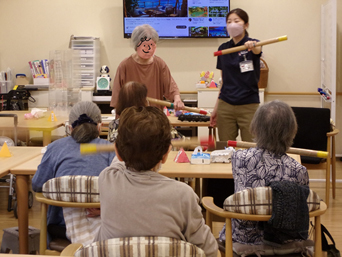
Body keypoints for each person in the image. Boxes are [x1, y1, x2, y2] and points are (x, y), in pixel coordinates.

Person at [95, 106, 218, 257]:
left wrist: (123, 149)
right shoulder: (183, 195)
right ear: (166, 154)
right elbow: (211, 252)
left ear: (118, 152)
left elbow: (118, 162)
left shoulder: (107, 179)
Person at [218, 100, 309, 245]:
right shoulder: (299, 170)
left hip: (242, 240)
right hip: (285, 243)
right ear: (292, 131)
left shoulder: (239, 159)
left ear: (255, 128)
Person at [32, 101, 116, 244]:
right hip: (101, 231)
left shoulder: (54, 148)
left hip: (59, 229)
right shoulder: (110, 150)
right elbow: (119, 190)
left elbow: (38, 185)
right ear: (100, 126)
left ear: (70, 128)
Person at [210, 8, 262, 142]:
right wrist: (216, 109)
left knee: (252, 149)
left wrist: (252, 45)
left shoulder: (253, 44)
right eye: (229, 22)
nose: (232, 24)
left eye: (236, 21)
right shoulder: (223, 49)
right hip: (225, 105)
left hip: (249, 105)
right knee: (224, 148)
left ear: (246, 25)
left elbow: (258, 50)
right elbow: (223, 81)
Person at [110, 24, 184, 111]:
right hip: (131, 118)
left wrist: (177, 100)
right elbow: (117, 99)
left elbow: (171, 88)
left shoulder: (159, 64)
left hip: (154, 117)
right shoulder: (125, 65)